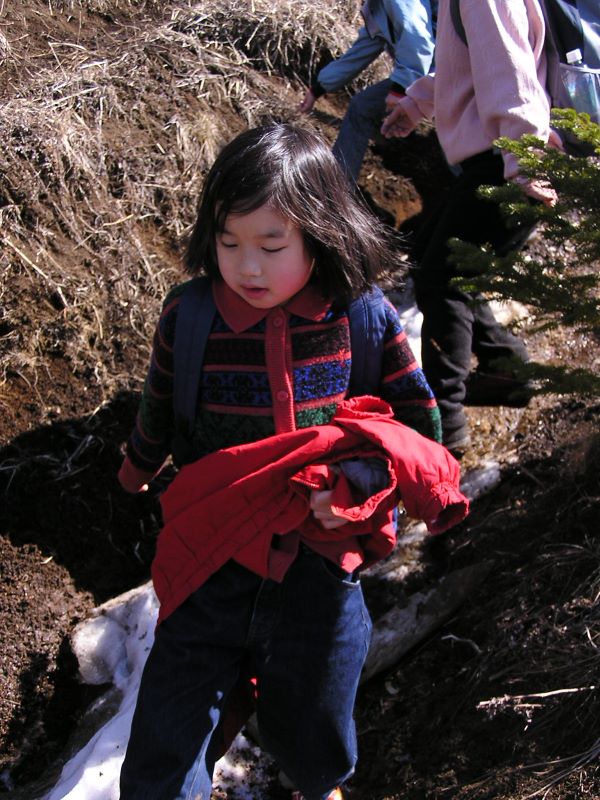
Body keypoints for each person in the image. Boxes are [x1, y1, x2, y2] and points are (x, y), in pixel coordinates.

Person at [116, 123, 464, 800]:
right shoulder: (190, 319)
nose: (248, 267)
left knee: (315, 718)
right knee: (166, 741)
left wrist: (355, 489)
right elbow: (158, 404)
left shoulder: (360, 320)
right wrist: (134, 469)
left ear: (320, 235)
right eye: (228, 243)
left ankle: (319, 785)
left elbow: (417, 431)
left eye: (272, 246)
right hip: (213, 562)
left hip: (319, 570)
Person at [381, 0, 561, 454]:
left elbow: (509, 70)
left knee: (443, 280)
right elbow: (476, 65)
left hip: (507, 161)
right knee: (437, 261)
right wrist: (419, 103)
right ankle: (507, 370)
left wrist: (526, 162)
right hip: (506, 158)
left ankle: (443, 420)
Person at [299, 0, 438, 182]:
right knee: (363, 106)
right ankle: (337, 188)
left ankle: (336, 189)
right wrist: (318, 88)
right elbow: (362, 50)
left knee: (362, 108)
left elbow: (418, 39)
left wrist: (400, 89)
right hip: (435, 77)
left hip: (446, 78)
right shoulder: (378, 7)